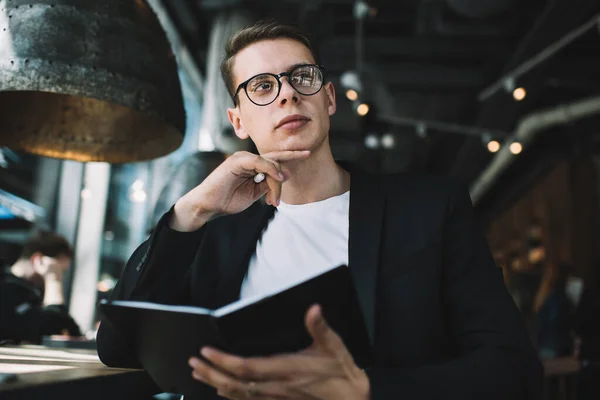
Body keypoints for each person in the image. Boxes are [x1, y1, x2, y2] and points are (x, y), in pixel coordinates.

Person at [97, 20, 543, 399]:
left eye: (301, 77)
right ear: (238, 122)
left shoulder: (429, 209)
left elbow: (513, 370)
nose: (288, 95)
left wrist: (365, 389)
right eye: (263, 87)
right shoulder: (215, 231)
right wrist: (189, 212)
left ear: (328, 98)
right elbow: (117, 347)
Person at [0, 230, 81, 344]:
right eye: (60, 271)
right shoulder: (8, 289)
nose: (61, 276)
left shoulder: (31, 292)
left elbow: (71, 329)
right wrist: (53, 280)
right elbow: (51, 329)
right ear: (38, 260)